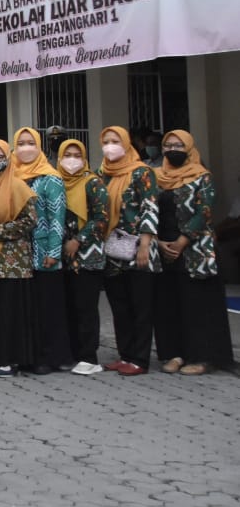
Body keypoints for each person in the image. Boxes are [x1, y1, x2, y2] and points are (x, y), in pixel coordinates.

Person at [154, 130, 235, 375]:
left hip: (195, 251)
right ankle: (174, 353)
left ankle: (201, 356)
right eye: (168, 145)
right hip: (163, 249)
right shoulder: (156, 176)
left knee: (196, 305)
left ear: (189, 148)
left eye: (178, 145)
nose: (172, 149)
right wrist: (158, 242)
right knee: (168, 303)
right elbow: (146, 209)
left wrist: (182, 240)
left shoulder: (202, 177)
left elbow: (205, 211)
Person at [98, 125, 160, 375]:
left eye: (116, 141)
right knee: (120, 305)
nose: (110, 146)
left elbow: (150, 208)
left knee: (140, 306)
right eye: (106, 141)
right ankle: (125, 355)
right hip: (112, 250)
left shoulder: (142, 172)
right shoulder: (102, 173)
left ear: (127, 144)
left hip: (137, 248)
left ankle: (140, 359)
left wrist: (145, 245)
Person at [13, 127, 72, 374]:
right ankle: (29, 355)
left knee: (48, 307)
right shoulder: (13, 175)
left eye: (31, 143)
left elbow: (57, 216)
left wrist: (54, 251)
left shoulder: (51, 178)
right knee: (28, 309)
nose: (26, 148)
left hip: (45, 252)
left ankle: (49, 357)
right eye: (21, 143)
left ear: (39, 147)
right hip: (20, 255)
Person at [0, 138, 37, 377]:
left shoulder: (18, 185)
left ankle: (12, 359)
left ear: (8, 158)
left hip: (12, 260)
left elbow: (30, 220)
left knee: (9, 311)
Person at [56, 139, 109, 376]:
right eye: (67, 154)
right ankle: (74, 353)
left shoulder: (93, 183)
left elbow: (101, 218)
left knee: (86, 308)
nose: (72, 159)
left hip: (87, 256)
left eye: (77, 154)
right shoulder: (58, 182)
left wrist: (79, 240)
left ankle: (90, 356)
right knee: (69, 306)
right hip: (64, 257)